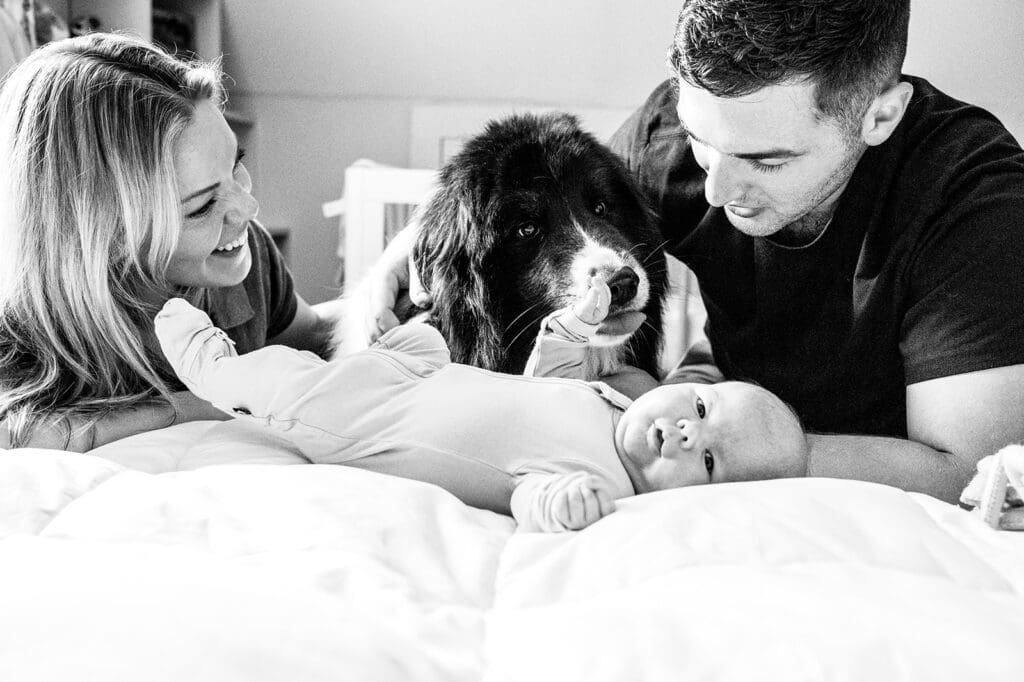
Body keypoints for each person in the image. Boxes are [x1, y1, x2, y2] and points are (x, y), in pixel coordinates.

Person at [363, 0, 1024, 505]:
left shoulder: (975, 199)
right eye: (704, 142)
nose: (715, 189)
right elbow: (545, 191)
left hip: (859, 474)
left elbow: (969, 471)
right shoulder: (674, 136)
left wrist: (745, 450)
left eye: (767, 161)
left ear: (880, 116)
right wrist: (420, 236)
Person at [152, 278, 808, 532]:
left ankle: (217, 369)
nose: (688, 434)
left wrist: (561, 506)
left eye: (710, 461)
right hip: (422, 376)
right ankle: (386, 351)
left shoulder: (603, 483)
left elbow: (528, 497)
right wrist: (574, 329)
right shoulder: (612, 403)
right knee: (425, 337)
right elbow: (547, 379)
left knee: (299, 393)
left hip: (379, 427)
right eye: (702, 408)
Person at [0, 33, 334, 451]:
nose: (248, 208)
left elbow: (320, 339)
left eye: (236, 165)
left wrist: (390, 278)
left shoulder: (242, 261)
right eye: (202, 205)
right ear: (106, 237)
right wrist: (196, 405)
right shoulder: (19, 335)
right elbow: (21, 435)